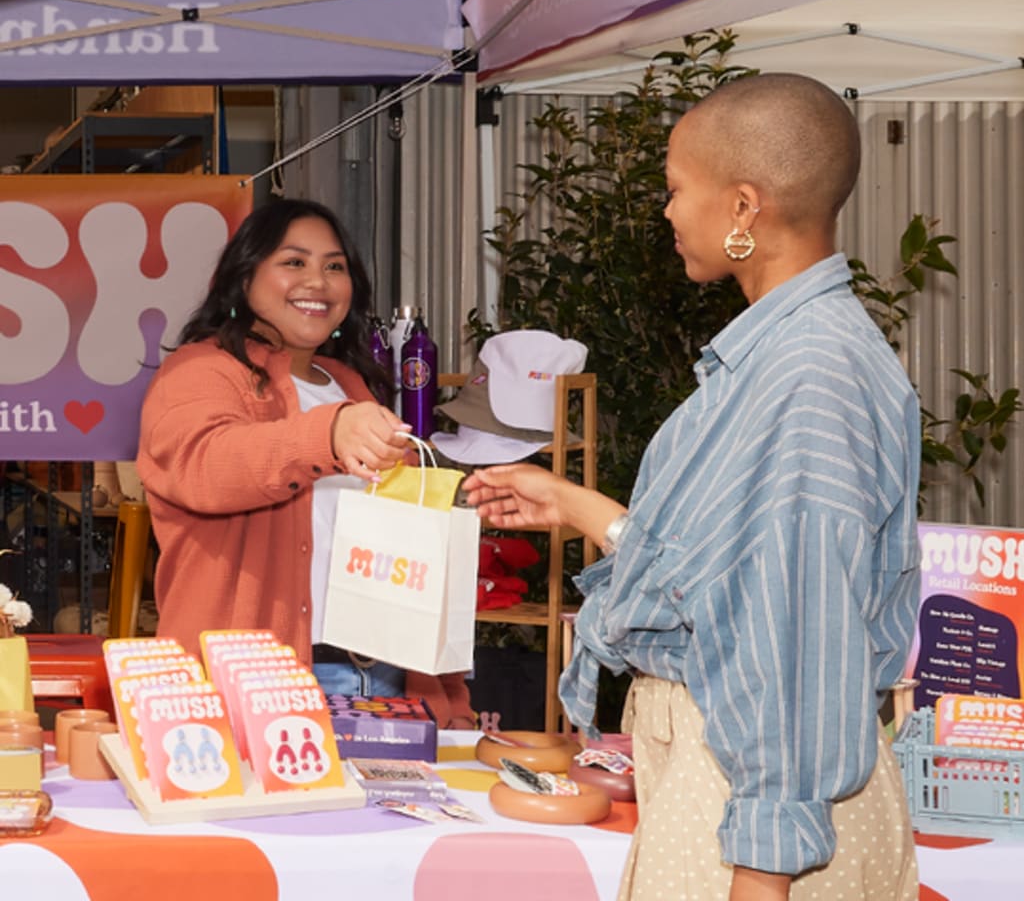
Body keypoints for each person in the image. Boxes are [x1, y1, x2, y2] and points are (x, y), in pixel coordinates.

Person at [464, 74, 920, 900]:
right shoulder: (785, 358)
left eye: (676, 190)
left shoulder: (808, 375)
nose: (667, 212)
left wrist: (762, 872)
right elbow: (729, 584)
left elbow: (796, 635)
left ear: (744, 207)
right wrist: (582, 510)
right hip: (735, 799)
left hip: (754, 823)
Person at [137, 197, 474, 729]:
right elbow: (207, 465)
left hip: (382, 672)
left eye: (334, 266)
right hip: (262, 680)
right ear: (244, 276)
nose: (317, 281)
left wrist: (447, 689)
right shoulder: (198, 373)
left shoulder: (350, 383)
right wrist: (328, 435)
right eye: (293, 262)